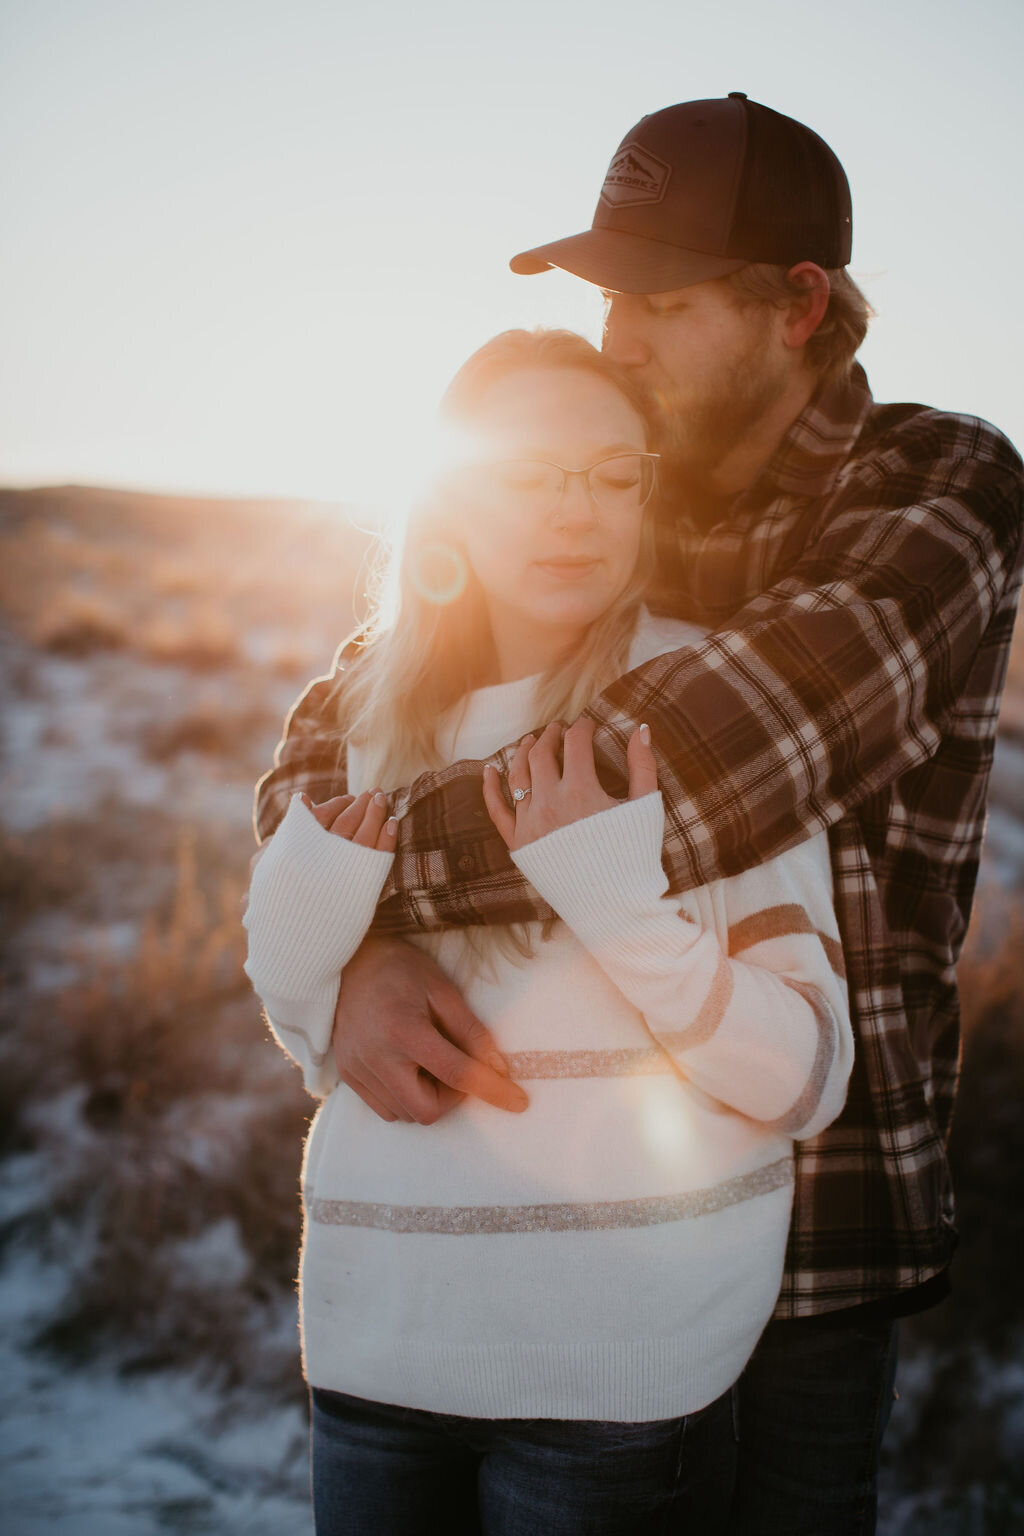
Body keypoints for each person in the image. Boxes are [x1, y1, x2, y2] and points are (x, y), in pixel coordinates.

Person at [255, 96, 1024, 1534]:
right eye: (610, 298)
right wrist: (344, 958)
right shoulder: (614, 474)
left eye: (659, 302)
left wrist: (358, 877)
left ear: (798, 305)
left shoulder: (939, 483)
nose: (619, 340)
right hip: (536, 1241)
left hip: (815, 1221)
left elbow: (709, 762)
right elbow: (331, 734)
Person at [244, 327, 854, 1535]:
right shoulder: (357, 725)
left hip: (615, 1377)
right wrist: (327, 971)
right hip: (376, 1355)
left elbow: (808, 1075)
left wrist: (622, 910)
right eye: (528, 471)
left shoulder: (703, 708)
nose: (575, 510)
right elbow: (307, 1024)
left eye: (611, 473)